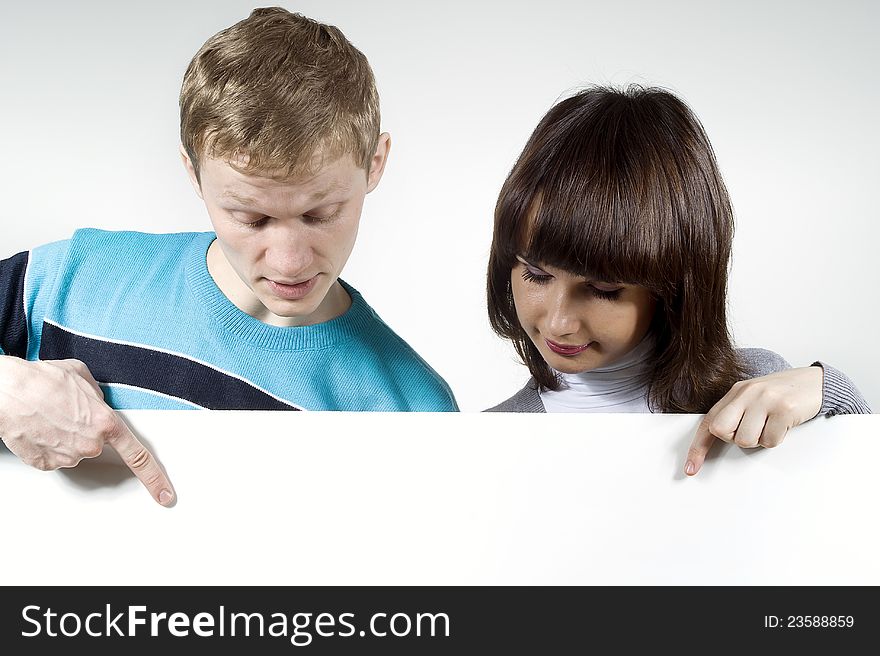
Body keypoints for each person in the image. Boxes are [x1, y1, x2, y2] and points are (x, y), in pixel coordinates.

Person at [0, 7, 457, 507]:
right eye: (252, 218)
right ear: (194, 175)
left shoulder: (414, 409)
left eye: (321, 213)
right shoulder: (76, 278)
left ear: (375, 163)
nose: (289, 262)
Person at [485, 85, 871, 473]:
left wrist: (829, 390)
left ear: (672, 286)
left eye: (603, 289)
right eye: (536, 275)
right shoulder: (484, 440)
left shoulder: (756, 392)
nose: (559, 322)